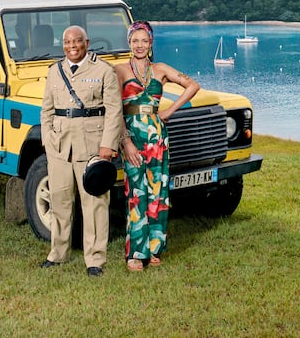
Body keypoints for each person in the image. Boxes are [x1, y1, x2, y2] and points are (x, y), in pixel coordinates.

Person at [115, 20, 199, 271]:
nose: (140, 45)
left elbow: (192, 85)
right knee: (136, 192)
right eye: (135, 40)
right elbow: (114, 108)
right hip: (132, 137)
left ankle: (154, 248)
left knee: (158, 191)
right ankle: (134, 253)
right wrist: (124, 141)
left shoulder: (160, 69)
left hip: (158, 137)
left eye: (144, 40)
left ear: (151, 43)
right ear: (129, 43)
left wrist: (170, 110)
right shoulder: (119, 70)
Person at [39, 25, 122, 277]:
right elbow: (46, 110)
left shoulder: (103, 71)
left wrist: (108, 145)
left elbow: (114, 111)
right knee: (60, 201)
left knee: (95, 204)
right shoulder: (55, 71)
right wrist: (48, 141)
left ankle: (95, 259)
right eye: (67, 42)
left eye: (77, 41)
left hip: (92, 146)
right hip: (60, 147)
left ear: (87, 42)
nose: (72, 46)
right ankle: (58, 253)